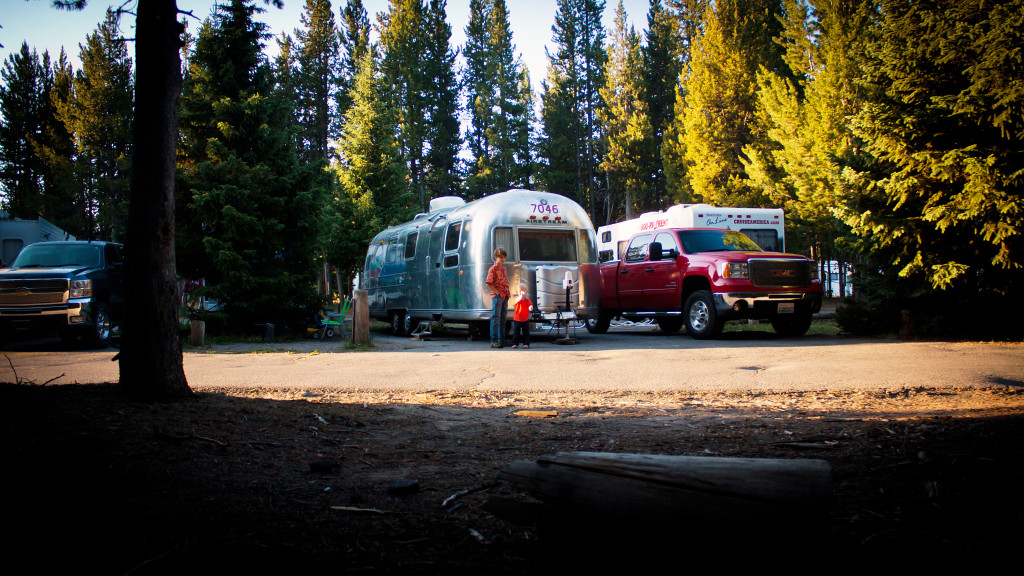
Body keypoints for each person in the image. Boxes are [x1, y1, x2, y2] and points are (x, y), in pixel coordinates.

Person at [485, 247, 510, 348]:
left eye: (504, 257)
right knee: (495, 318)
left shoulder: (504, 268)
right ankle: (494, 340)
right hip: (498, 296)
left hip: (505, 295)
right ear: (496, 257)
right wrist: (497, 292)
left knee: (503, 318)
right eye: (500, 257)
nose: (502, 259)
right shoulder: (493, 269)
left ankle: (501, 339)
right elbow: (488, 283)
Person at [511, 283, 532, 348]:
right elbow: (517, 300)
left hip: (525, 319)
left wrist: (530, 307)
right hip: (517, 318)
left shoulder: (527, 300)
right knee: (516, 332)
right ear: (517, 292)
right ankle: (515, 343)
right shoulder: (517, 299)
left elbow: (530, 305)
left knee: (526, 332)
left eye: (523, 291)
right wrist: (521, 296)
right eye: (520, 291)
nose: (522, 292)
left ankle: (526, 344)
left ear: (526, 292)